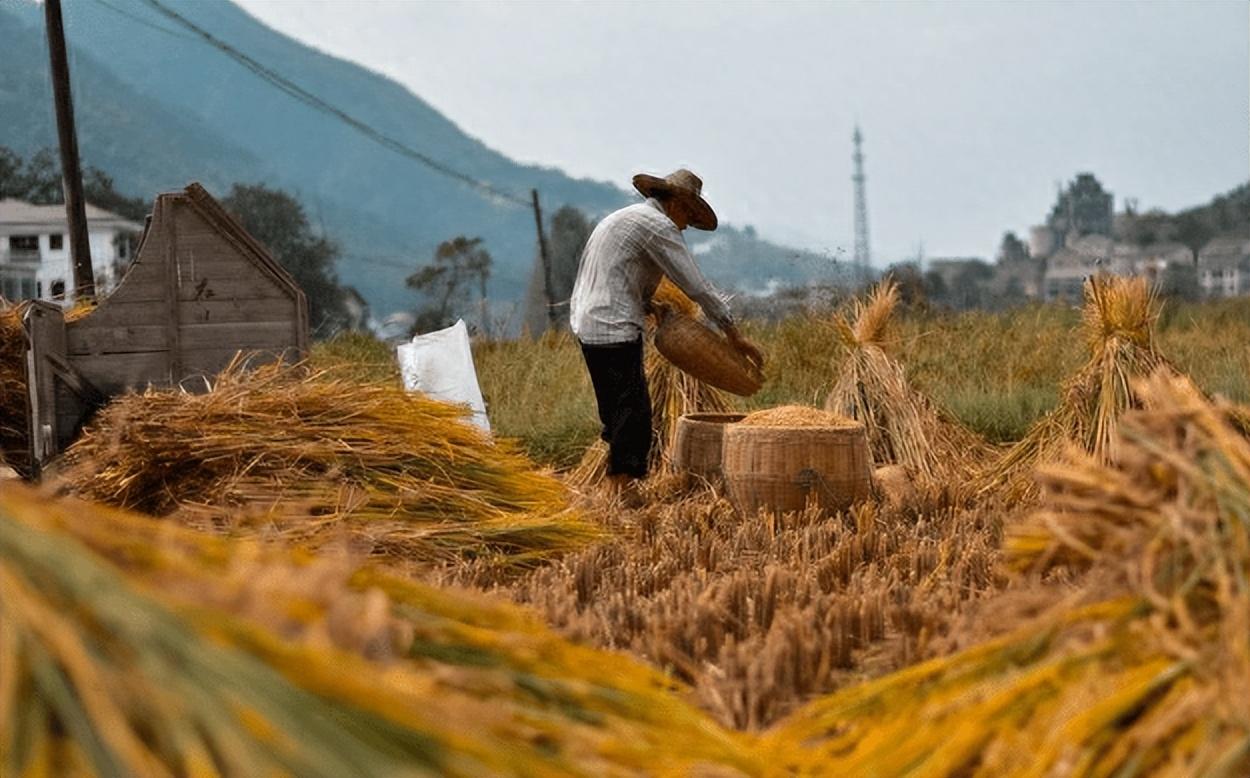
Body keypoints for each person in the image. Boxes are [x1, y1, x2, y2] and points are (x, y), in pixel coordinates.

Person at [569, 168, 764, 500]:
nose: (686, 223)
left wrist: (649, 304)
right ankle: (623, 489)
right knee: (634, 409)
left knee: (617, 408)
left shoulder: (627, 217)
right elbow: (696, 286)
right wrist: (734, 335)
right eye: (687, 212)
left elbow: (617, 273)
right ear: (672, 201)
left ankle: (617, 485)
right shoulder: (657, 226)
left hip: (588, 321)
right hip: (612, 324)